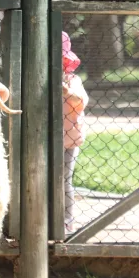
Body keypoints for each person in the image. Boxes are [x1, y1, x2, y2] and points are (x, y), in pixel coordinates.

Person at [60, 32, 88, 233]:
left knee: (63, 180)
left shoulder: (72, 80)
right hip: (44, 139)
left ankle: (67, 219)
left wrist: (67, 92)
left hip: (68, 139)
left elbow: (81, 101)